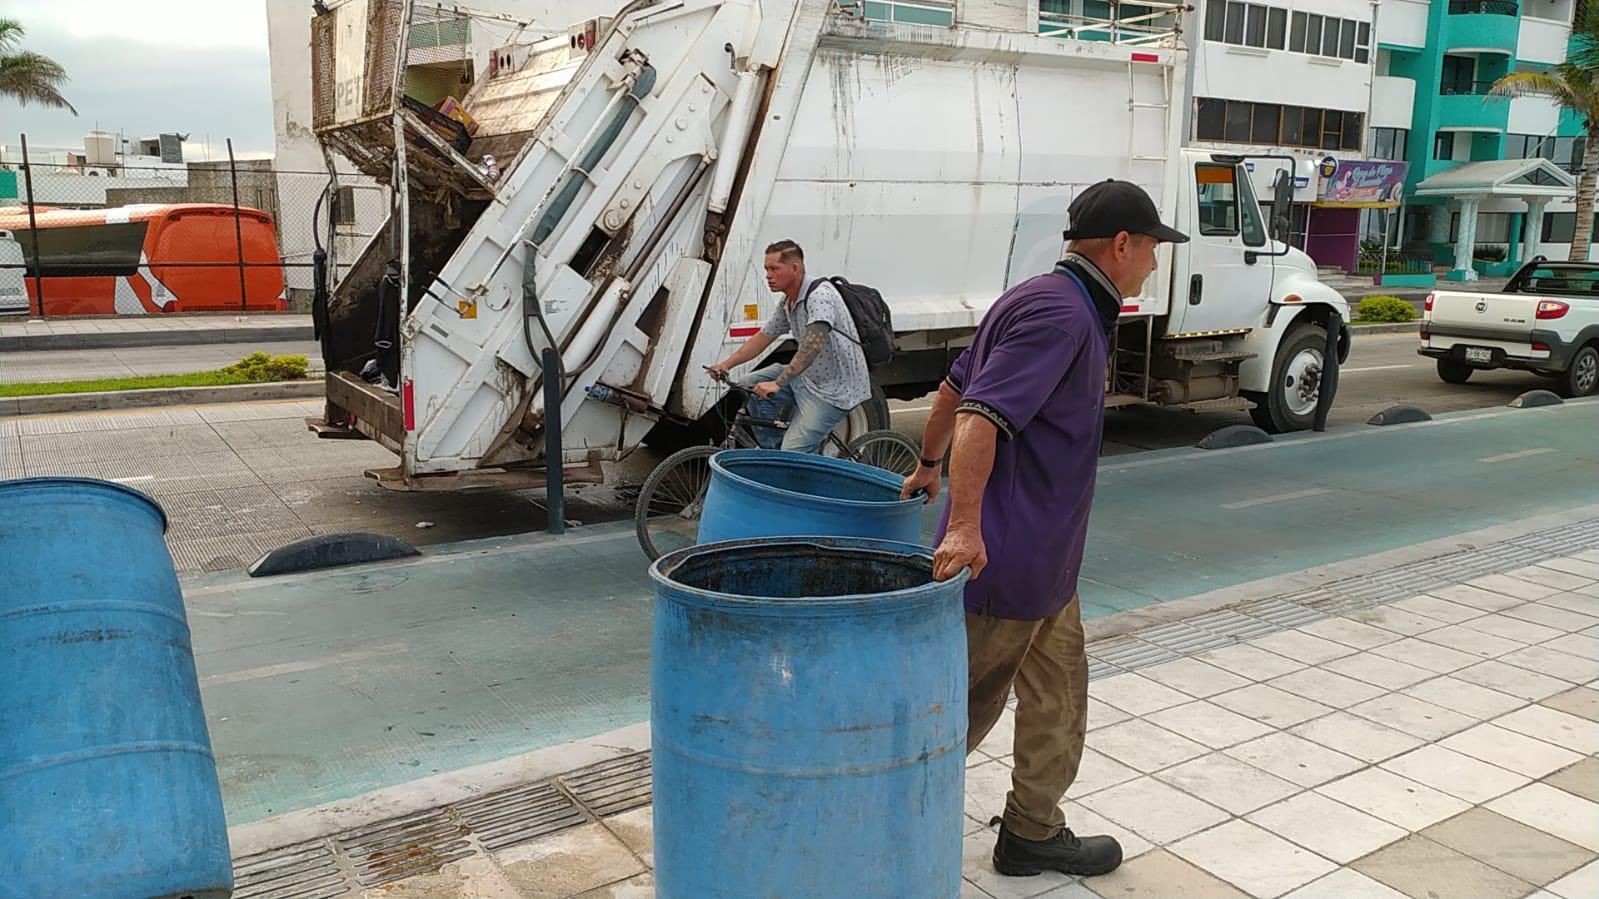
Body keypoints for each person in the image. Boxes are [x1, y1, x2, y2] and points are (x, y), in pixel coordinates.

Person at [901, 180, 1189, 879]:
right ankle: (865, 828)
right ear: (1121, 245)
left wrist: (928, 462)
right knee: (954, 717)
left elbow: (951, 388)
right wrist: (963, 526)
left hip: (1046, 567)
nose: (1153, 262)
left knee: (1058, 688)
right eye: (1151, 248)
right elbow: (981, 413)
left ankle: (1031, 830)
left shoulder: (1039, 298)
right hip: (1003, 564)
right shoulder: (1060, 315)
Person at [707, 240, 874, 452]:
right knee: (748, 385)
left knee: (793, 451)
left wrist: (778, 383)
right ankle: (775, 452)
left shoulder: (820, 296)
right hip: (806, 377)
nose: (768, 275)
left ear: (794, 268)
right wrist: (726, 364)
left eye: (774, 269)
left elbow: (813, 345)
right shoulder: (788, 301)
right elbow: (764, 336)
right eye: (766, 269)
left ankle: (794, 463)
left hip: (833, 390)